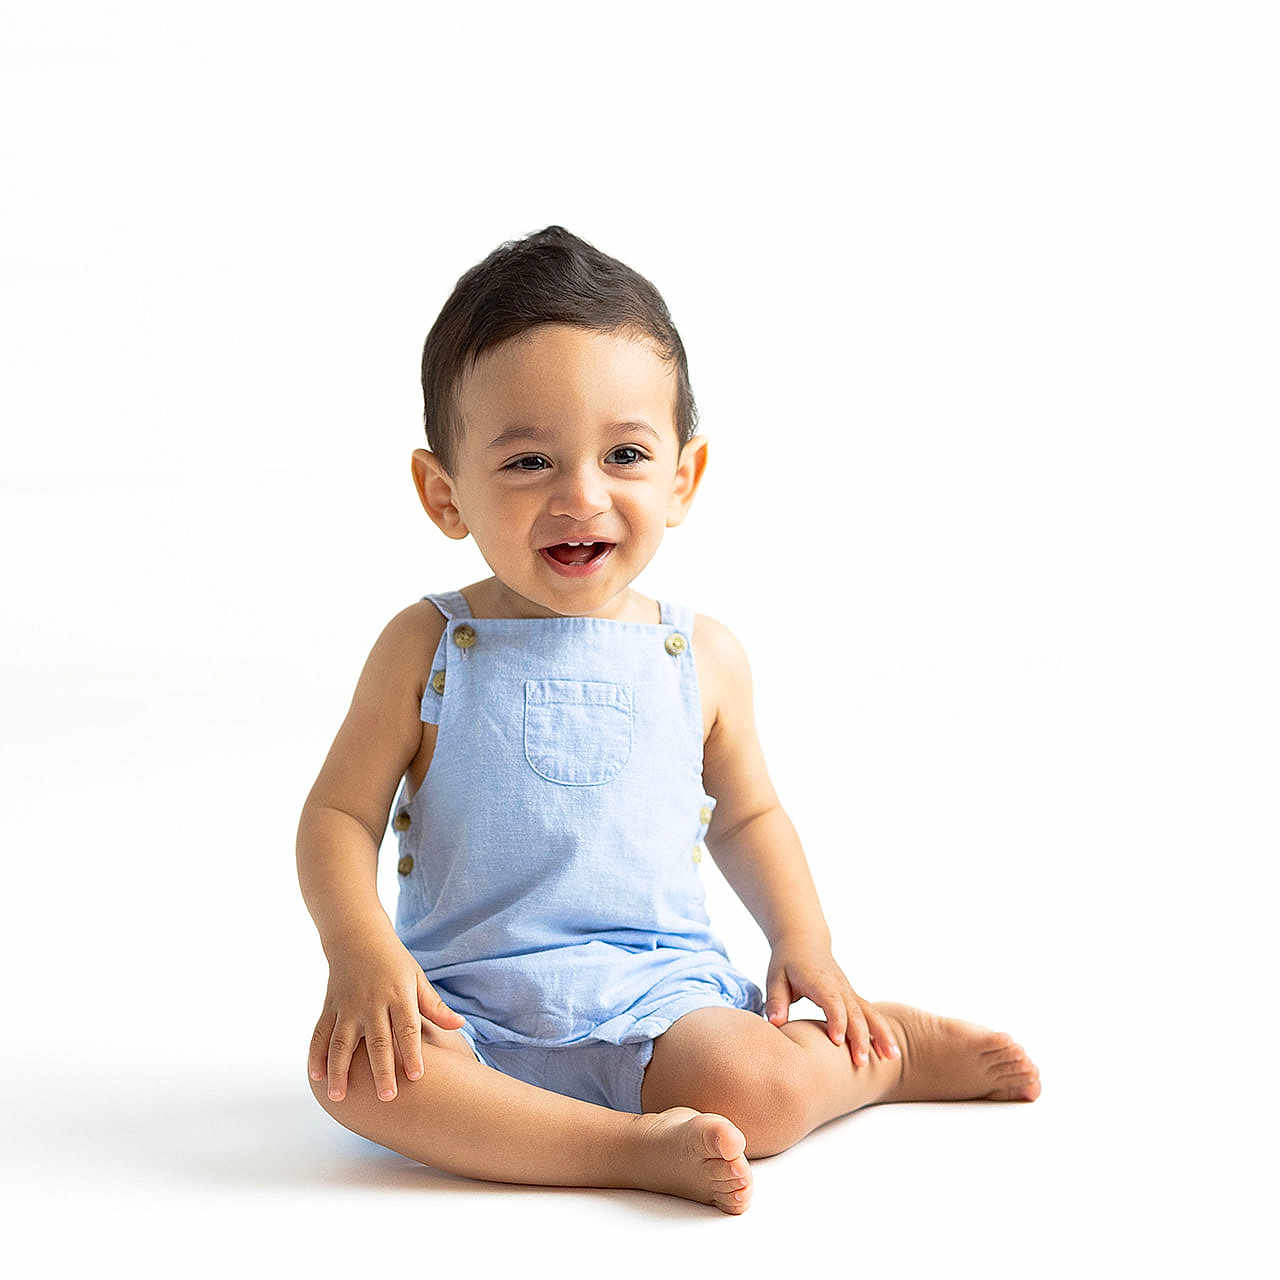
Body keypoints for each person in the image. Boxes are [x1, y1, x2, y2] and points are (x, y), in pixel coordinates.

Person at [296, 225, 1040, 1214]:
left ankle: (878, 1057)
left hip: (652, 993)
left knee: (759, 1090)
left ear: (680, 478)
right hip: (461, 1000)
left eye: (624, 454)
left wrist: (801, 940)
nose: (580, 495)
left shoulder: (702, 656)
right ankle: (623, 1148)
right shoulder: (423, 646)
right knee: (353, 1078)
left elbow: (747, 817)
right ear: (444, 492)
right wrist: (361, 951)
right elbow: (338, 817)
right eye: (526, 461)